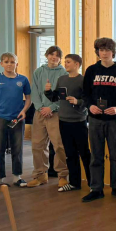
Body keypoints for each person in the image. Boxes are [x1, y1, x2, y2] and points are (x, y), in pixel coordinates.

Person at [81, 38, 116, 202]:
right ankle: (96, 188)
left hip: (114, 120)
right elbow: (85, 94)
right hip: (95, 119)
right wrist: (90, 106)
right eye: (101, 50)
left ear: (113, 52)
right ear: (98, 52)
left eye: (107, 50)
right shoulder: (91, 70)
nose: (104, 53)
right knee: (96, 155)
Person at [44, 53, 91, 192]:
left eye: (68, 62)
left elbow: (88, 100)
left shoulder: (83, 80)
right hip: (63, 121)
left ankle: (93, 184)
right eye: (65, 61)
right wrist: (48, 92)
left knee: (84, 153)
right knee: (70, 154)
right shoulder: (62, 79)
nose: (65, 64)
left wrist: (77, 101)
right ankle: (74, 183)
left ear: (77, 64)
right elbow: (56, 98)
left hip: (79, 122)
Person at [0, 53, 31, 186]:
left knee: (17, 148)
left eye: (12, 62)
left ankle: (17, 176)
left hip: (17, 118)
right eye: (6, 62)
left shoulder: (23, 79)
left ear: (17, 64)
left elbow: (28, 99)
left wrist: (24, 110)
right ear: (1, 64)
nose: (9, 64)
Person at [27, 45, 69, 188]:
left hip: (56, 114)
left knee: (59, 145)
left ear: (60, 58)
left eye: (57, 55)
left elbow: (63, 95)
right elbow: (34, 92)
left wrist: (51, 107)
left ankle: (62, 175)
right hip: (39, 113)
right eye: (51, 54)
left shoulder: (64, 73)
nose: (54, 57)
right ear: (47, 56)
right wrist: (40, 108)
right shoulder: (38, 71)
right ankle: (40, 175)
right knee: (37, 146)